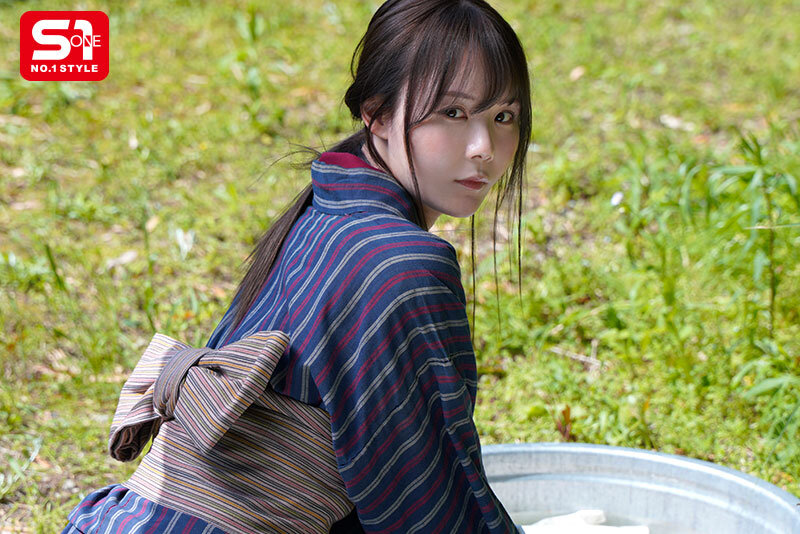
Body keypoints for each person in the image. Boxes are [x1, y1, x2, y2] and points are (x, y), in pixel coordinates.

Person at [62, 0, 532, 532]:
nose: (484, 148)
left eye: (503, 117)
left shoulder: (322, 212)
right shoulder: (402, 267)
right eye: (452, 113)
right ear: (377, 113)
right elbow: (428, 499)